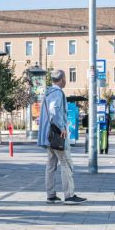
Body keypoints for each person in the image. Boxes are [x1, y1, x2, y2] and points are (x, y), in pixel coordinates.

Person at [38, 69, 86, 204]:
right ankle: (69, 195)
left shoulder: (47, 93)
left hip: (48, 135)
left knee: (51, 165)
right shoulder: (58, 93)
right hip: (57, 134)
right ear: (61, 79)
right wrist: (62, 127)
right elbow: (54, 110)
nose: (65, 80)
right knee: (66, 162)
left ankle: (51, 195)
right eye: (65, 78)